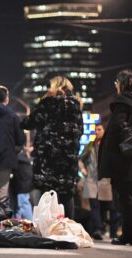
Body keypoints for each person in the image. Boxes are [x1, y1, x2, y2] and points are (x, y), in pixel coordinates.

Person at [98, 69, 132, 246]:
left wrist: (118, 146)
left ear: (122, 83)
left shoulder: (124, 100)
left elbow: (117, 126)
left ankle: (130, 235)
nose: (115, 85)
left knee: (125, 195)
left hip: (126, 154)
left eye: (116, 82)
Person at [20, 76, 83, 220]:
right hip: (68, 158)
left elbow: (28, 123)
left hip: (47, 157)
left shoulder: (46, 103)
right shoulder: (75, 105)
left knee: (47, 193)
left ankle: (48, 230)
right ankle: (68, 230)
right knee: (67, 194)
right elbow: (80, 130)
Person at [80, 124, 117, 240]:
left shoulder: (109, 145)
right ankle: (98, 229)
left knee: (108, 206)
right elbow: (80, 159)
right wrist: (83, 170)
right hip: (91, 179)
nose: (97, 132)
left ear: (104, 131)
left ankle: (111, 230)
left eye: (99, 129)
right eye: (95, 130)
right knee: (94, 205)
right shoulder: (90, 145)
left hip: (105, 180)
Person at [11, 147, 34, 220]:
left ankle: (30, 223)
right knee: (22, 203)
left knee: (22, 203)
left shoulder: (18, 158)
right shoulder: (23, 157)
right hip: (23, 181)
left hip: (21, 182)